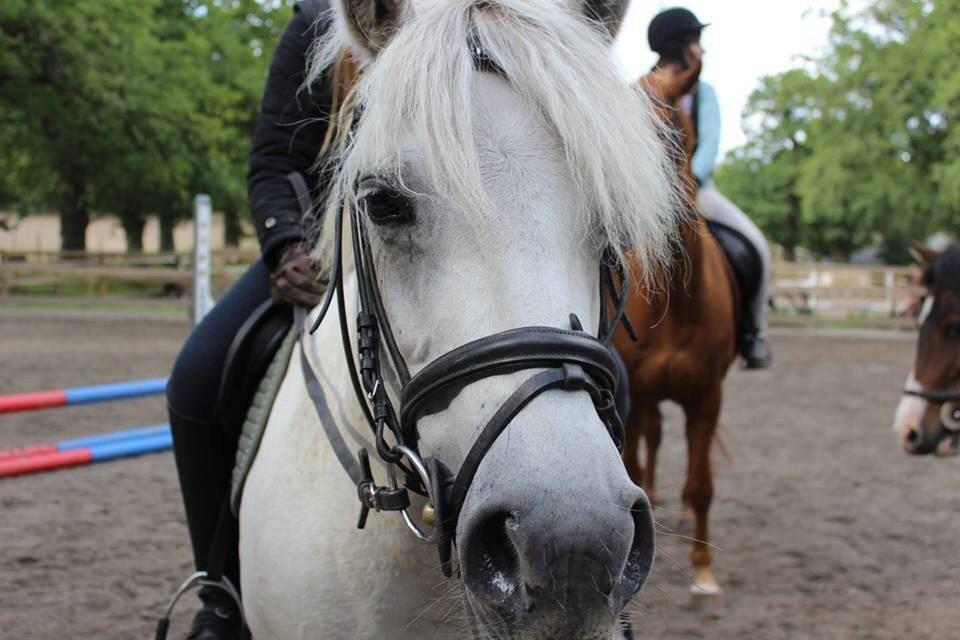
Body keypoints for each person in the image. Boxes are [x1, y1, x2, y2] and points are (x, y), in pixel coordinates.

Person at [164, 1, 349, 637]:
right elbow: (275, 159)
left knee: (606, 381)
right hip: (326, 248)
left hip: (448, 250)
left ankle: (593, 587)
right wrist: (290, 245)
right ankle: (221, 593)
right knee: (195, 378)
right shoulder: (319, 23)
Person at [647, 7, 773, 369]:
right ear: (680, 46)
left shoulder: (705, 94)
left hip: (696, 191)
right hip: (645, 199)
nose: (701, 49)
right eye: (696, 42)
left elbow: (709, 146)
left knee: (756, 245)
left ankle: (753, 332)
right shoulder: (640, 90)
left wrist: (688, 182)